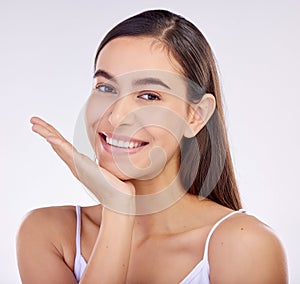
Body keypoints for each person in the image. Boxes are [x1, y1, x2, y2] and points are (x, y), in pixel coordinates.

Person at [17, 9, 288, 284]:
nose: (116, 116)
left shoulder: (244, 246)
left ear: (195, 116)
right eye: (106, 88)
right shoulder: (49, 233)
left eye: (149, 95)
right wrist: (118, 212)